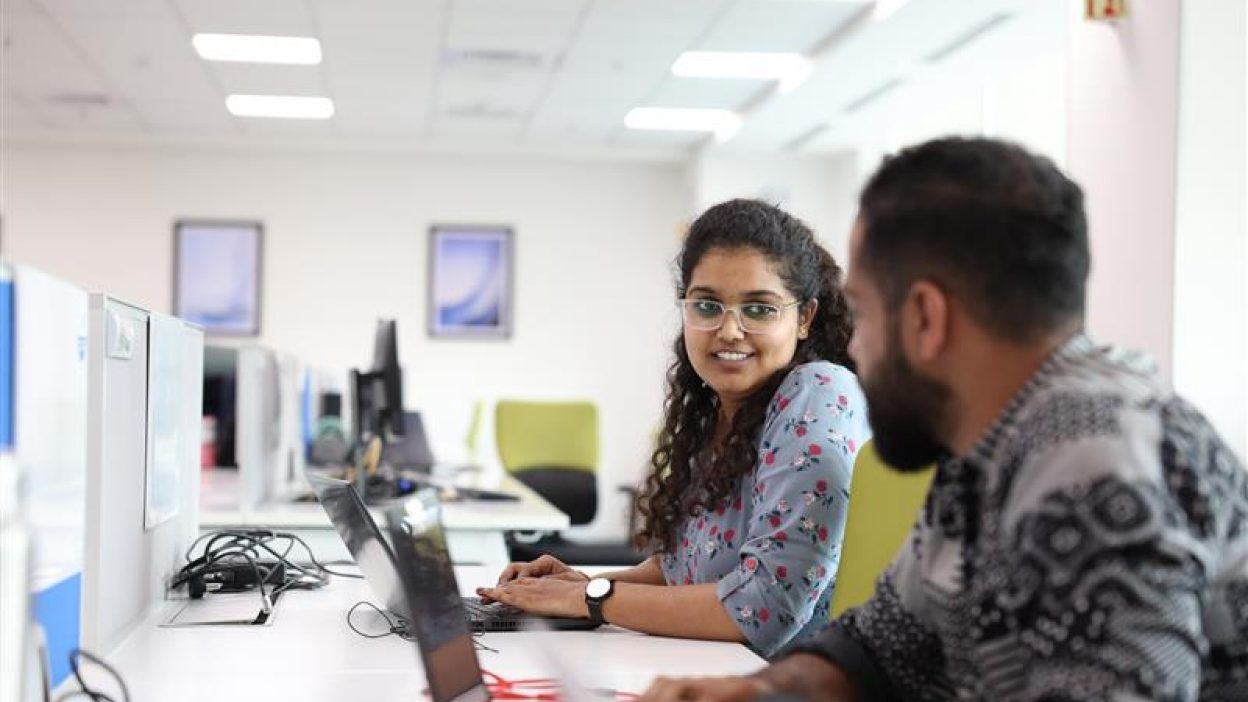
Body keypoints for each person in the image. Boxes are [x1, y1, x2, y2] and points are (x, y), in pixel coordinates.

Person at [639, 137, 1248, 701]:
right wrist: (764, 692)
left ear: (926, 318)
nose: (857, 351)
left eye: (864, 313)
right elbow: (882, 649)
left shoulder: (1093, 460)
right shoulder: (989, 447)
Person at [476, 199, 871, 657]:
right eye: (707, 305)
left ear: (804, 317)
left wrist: (591, 600)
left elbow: (764, 607)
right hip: (711, 670)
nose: (729, 330)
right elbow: (691, 567)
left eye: (759, 309)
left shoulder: (818, 391)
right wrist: (582, 584)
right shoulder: (720, 408)